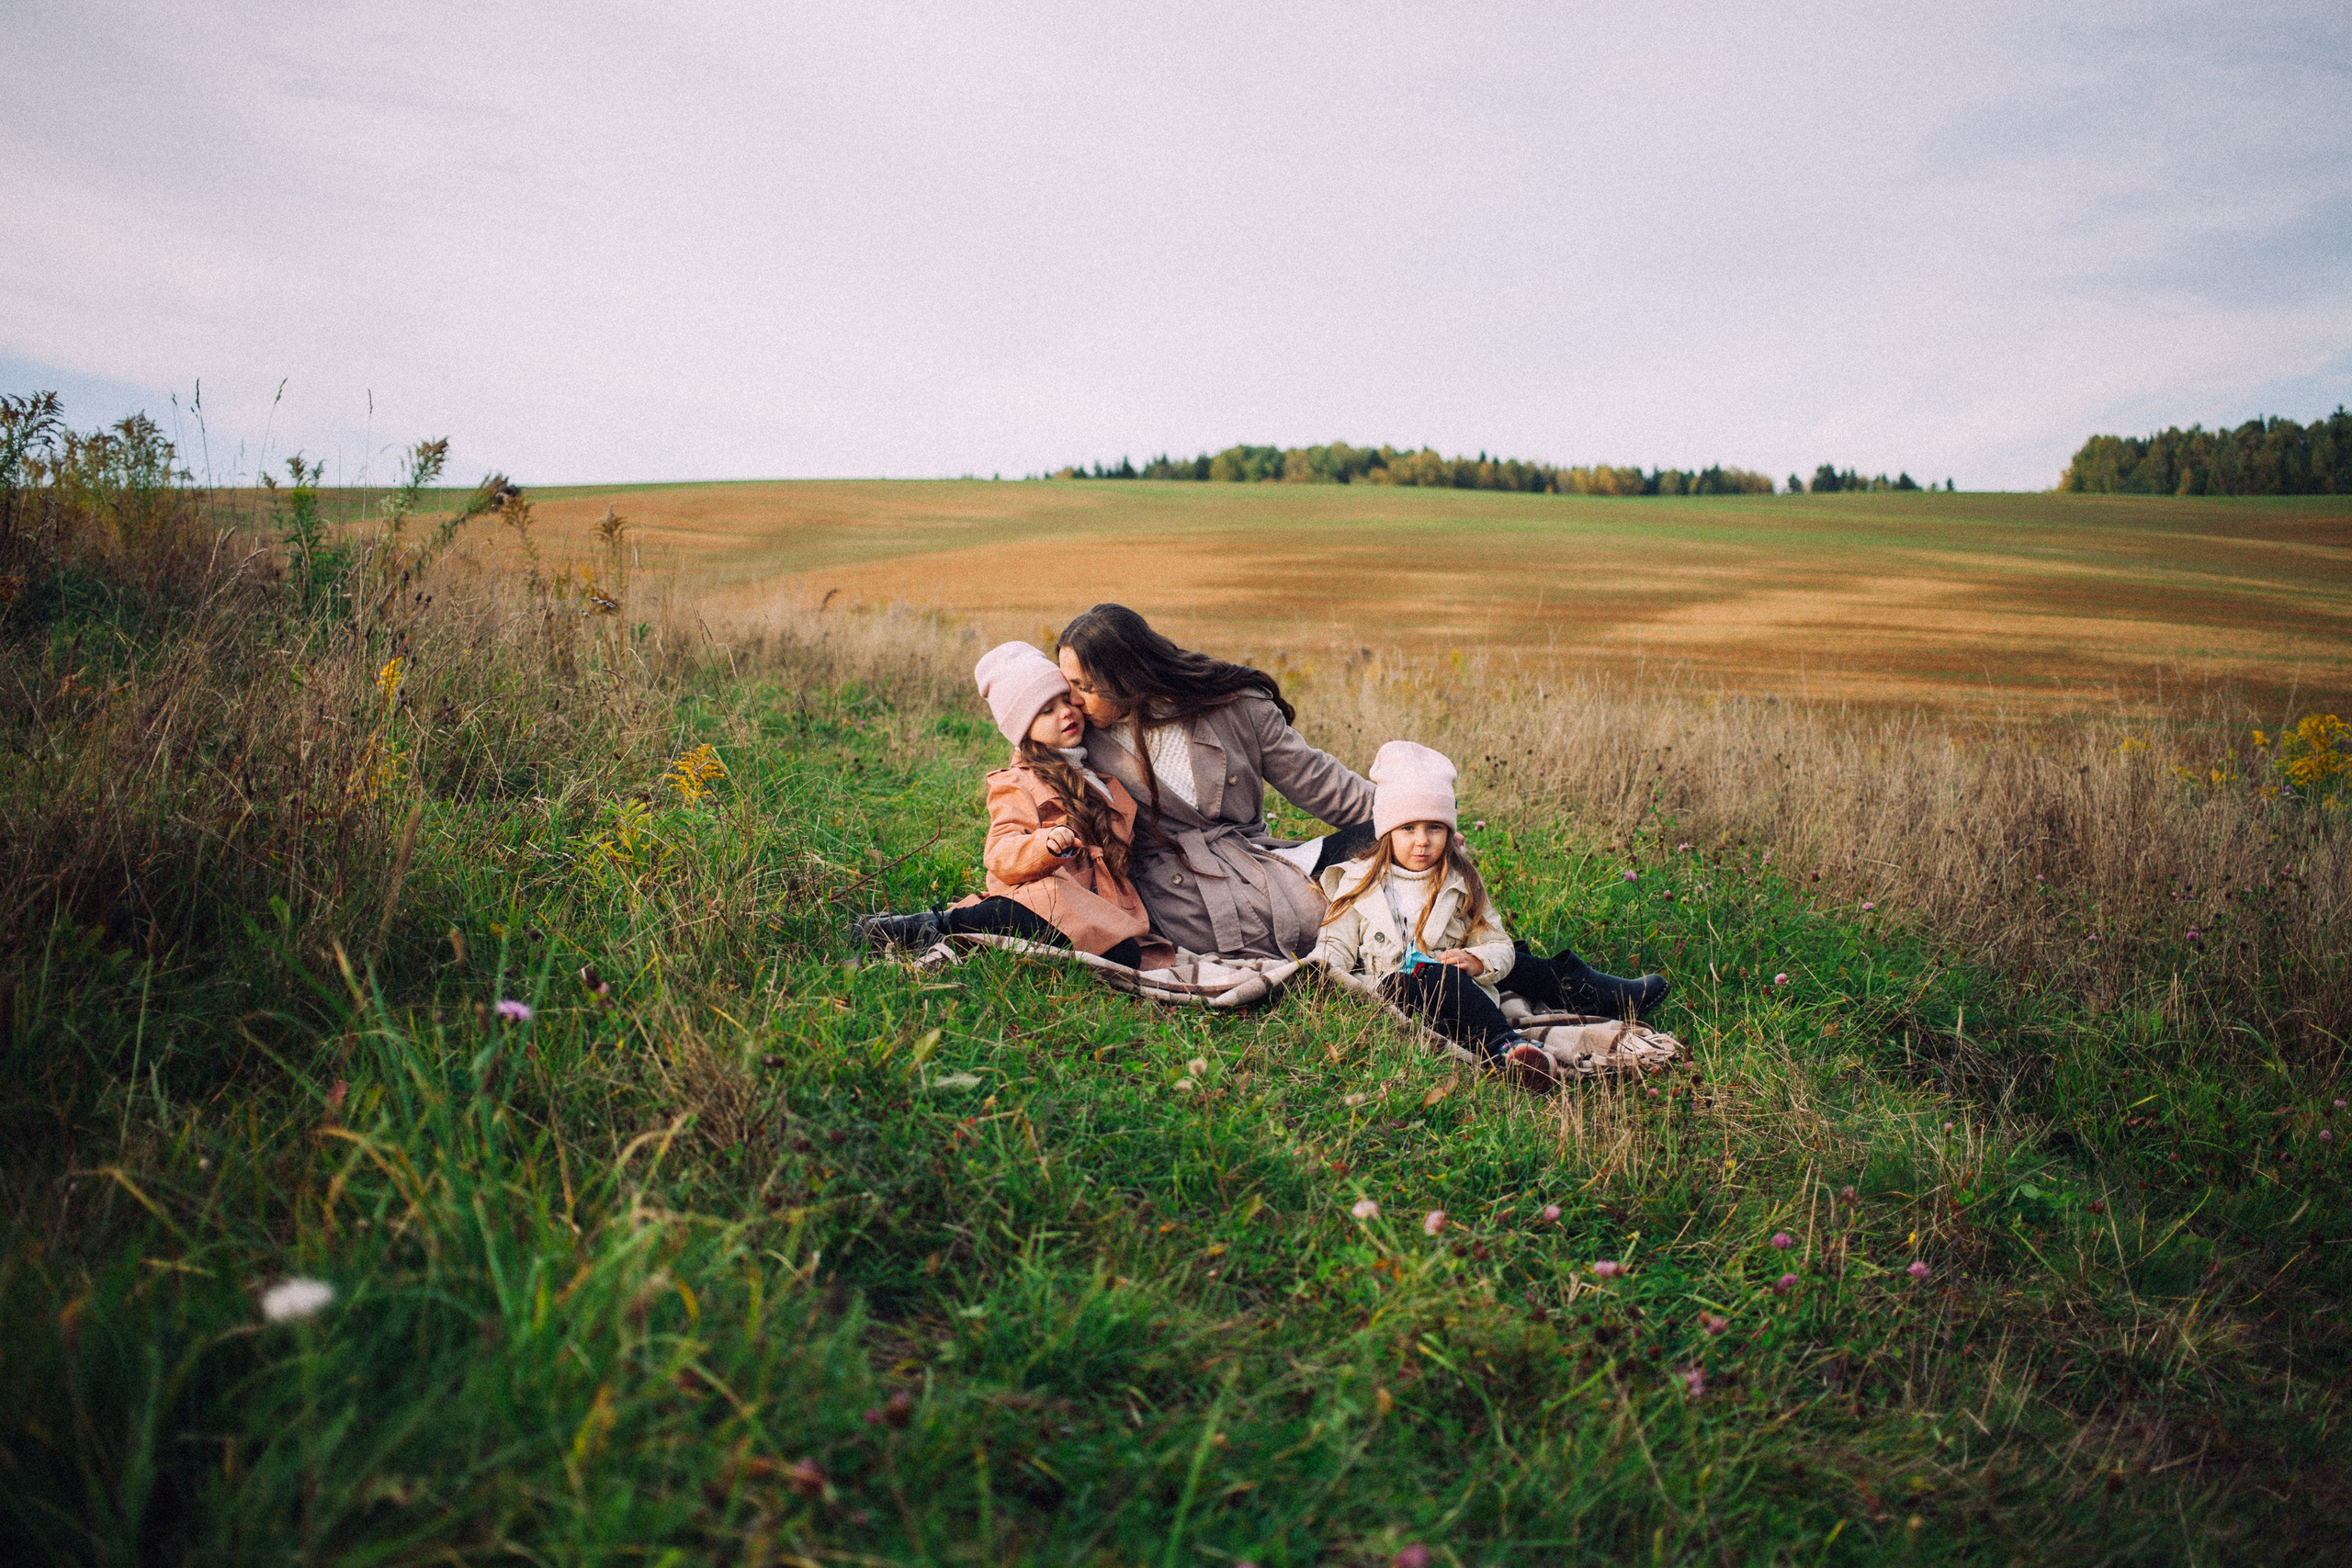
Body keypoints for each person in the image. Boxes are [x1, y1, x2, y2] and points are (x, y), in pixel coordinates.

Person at [1054, 604, 1374, 960]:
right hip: (1179, 894)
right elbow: (1026, 792)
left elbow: (1321, 782)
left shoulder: (1234, 706)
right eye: (1070, 685)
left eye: (1087, 686)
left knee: (1393, 842)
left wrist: (1415, 819)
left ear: (1128, 673)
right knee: (1341, 907)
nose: (1075, 701)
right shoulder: (1080, 741)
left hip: (1256, 857)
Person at [854, 642, 1165, 967]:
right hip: (1048, 897)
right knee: (1066, 913)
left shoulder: (1101, 778)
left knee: (1126, 953)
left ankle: (962, 923)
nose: (1066, 712)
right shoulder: (1017, 781)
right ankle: (937, 925)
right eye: (1046, 710)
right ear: (1023, 727)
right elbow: (1001, 851)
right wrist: (1046, 844)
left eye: (1065, 700)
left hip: (1097, 906)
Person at [1310, 741, 1557, 1092]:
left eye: (1435, 828)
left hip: (1456, 998)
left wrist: (1475, 960)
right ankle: (1499, 1046)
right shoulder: (1359, 883)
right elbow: (1334, 944)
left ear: (1449, 832)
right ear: (1387, 832)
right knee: (1413, 979)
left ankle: (1509, 1049)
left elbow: (1499, 944)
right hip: (1390, 995)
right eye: (1408, 829)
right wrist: (1323, 977)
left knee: (1440, 975)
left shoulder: (1462, 882)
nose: (1422, 841)